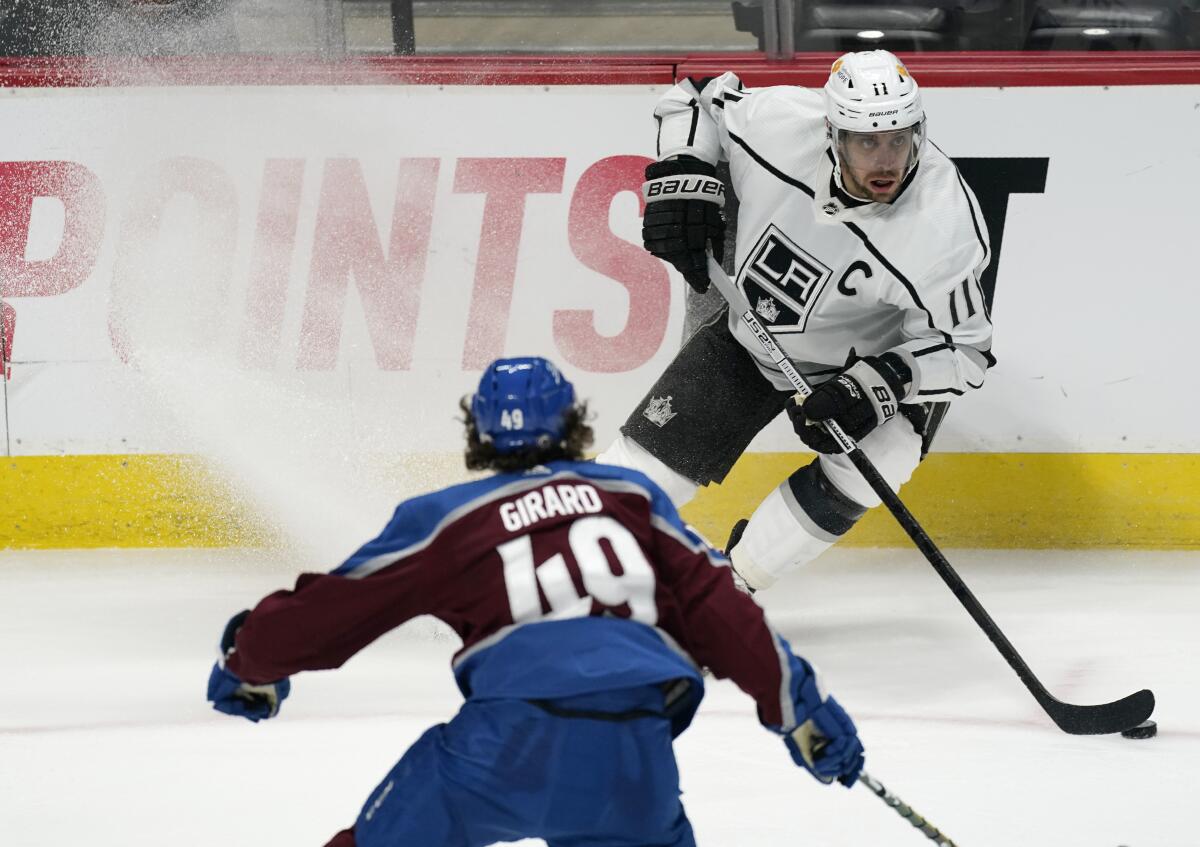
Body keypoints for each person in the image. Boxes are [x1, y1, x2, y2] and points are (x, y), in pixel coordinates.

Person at [206, 355, 865, 847]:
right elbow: (725, 611)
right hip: (633, 756)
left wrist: (250, 660)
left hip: (501, 749)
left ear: (479, 433)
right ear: (573, 425)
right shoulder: (634, 500)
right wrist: (803, 711)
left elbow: (337, 606)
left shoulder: (451, 518)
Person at [598, 49, 994, 592]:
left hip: (859, 367)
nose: (886, 161)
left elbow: (966, 350)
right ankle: (551, 569)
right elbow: (695, 97)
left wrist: (876, 385)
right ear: (832, 133)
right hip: (750, 332)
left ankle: (731, 589)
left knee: (886, 457)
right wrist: (683, 170)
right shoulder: (781, 125)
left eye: (898, 139)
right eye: (866, 141)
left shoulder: (944, 225)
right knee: (641, 475)